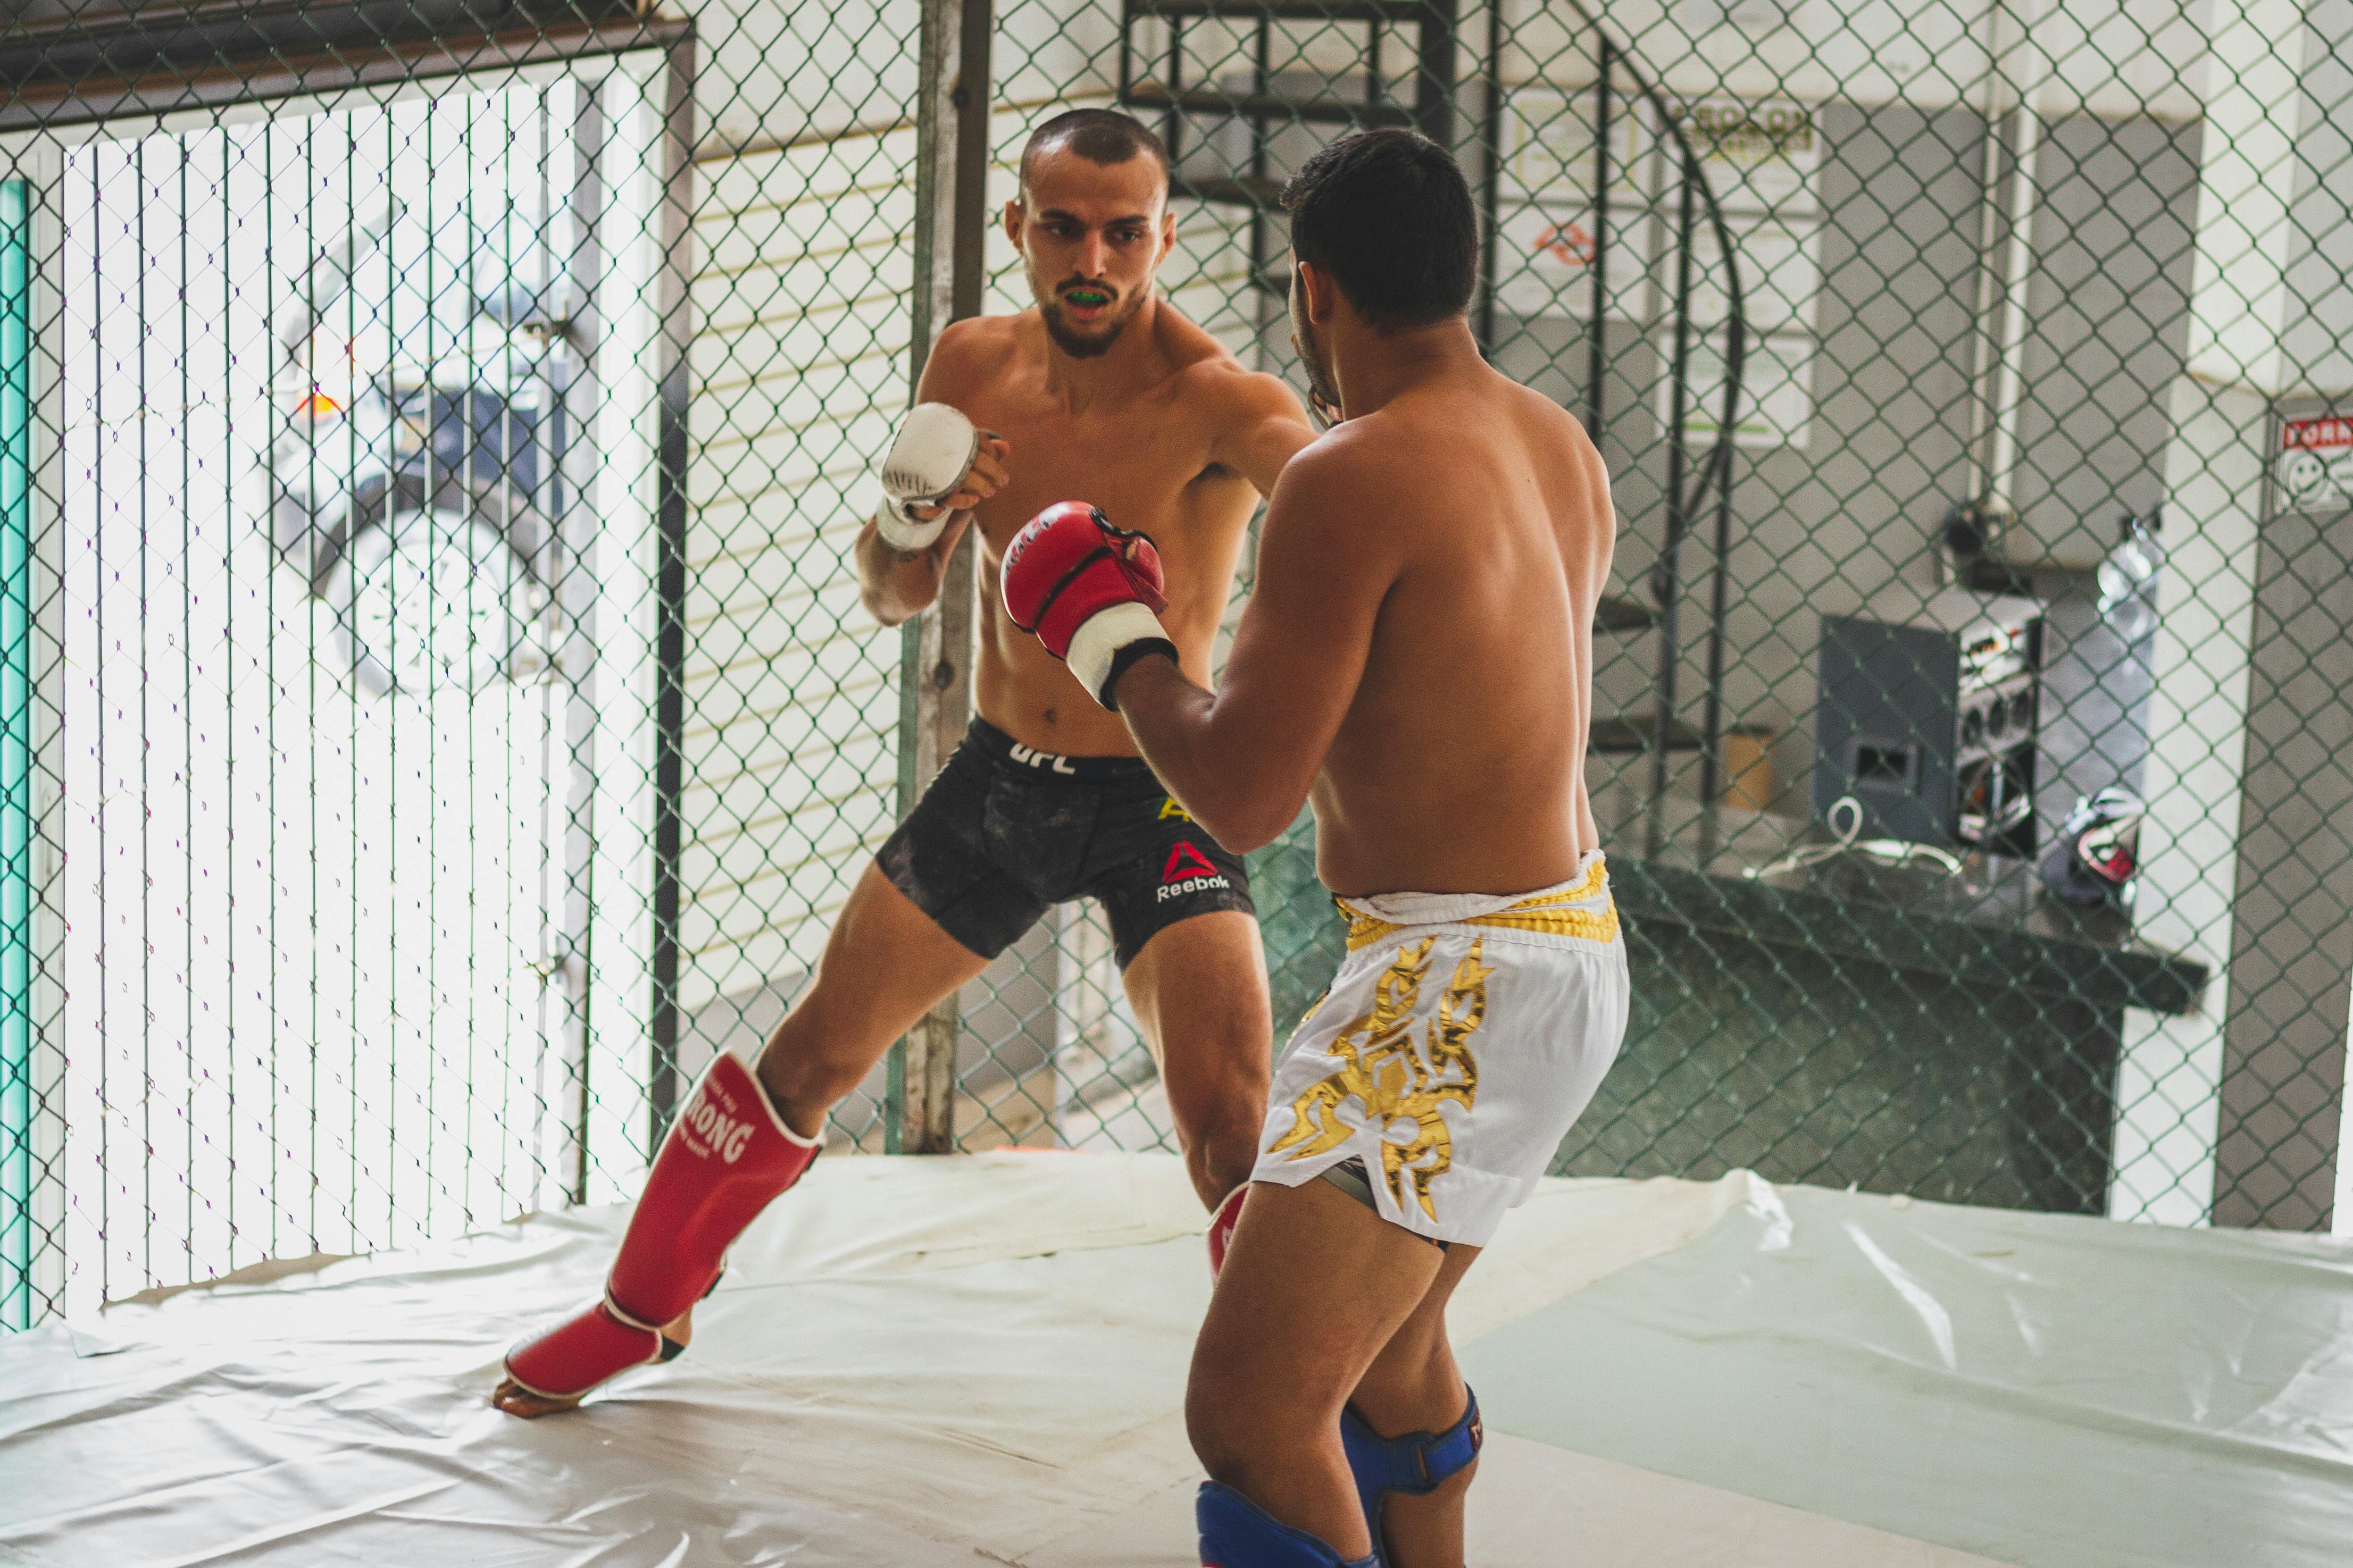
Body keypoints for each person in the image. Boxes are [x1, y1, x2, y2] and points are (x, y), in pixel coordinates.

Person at [495, 108, 1317, 1417]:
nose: (1092, 258)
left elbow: (1335, 494)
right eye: (1062, 227)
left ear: (1165, 235)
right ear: (1019, 231)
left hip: (1163, 790)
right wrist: (911, 512)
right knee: (809, 1058)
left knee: (1231, 1131)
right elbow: (893, 592)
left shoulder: (1224, 400)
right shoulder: (972, 364)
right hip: (1003, 780)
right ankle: (636, 1310)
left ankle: (1318, 1410)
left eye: (1122, 231)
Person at [999, 129, 1629, 1567]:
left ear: (1315, 294)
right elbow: (1437, 705)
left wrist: (1114, 636)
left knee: (1252, 1410)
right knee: (1391, 1365)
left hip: (1455, 983)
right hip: (1564, 946)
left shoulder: (1354, 475)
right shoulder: (1555, 445)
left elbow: (1242, 792)